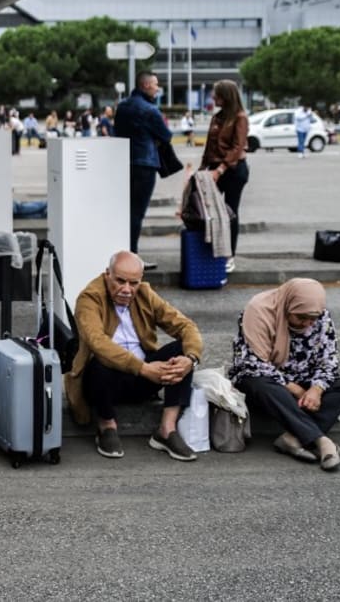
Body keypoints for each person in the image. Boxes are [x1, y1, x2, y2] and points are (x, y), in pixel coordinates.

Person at [67, 251, 203, 462]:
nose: (126, 289)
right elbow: (97, 342)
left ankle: (167, 429)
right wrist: (145, 368)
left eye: (133, 283)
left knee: (181, 352)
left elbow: (185, 325)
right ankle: (106, 425)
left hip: (143, 379)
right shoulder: (89, 298)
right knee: (100, 362)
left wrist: (191, 358)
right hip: (104, 384)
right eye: (120, 281)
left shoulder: (144, 293)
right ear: (107, 275)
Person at [228, 279, 340, 472]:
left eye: (312, 318)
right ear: (288, 307)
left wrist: (316, 390)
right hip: (265, 378)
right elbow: (252, 363)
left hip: (304, 379)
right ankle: (321, 441)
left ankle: (292, 438)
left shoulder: (321, 317)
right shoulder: (258, 311)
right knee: (261, 385)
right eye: (301, 317)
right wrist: (294, 389)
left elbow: (329, 361)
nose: (307, 323)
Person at [114, 71, 174, 257]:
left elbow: (117, 131)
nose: (157, 88)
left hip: (123, 162)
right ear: (146, 85)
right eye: (155, 84)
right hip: (145, 164)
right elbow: (166, 135)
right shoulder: (150, 110)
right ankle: (132, 255)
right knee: (137, 212)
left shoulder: (122, 107)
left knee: (124, 210)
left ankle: (121, 253)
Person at [200, 80, 249, 274]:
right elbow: (209, 146)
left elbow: (237, 148)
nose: (213, 97)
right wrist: (202, 168)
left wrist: (220, 169)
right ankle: (212, 250)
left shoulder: (240, 117)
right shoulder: (217, 117)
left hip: (233, 170)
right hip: (212, 169)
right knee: (207, 211)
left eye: (217, 95)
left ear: (226, 97)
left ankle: (229, 255)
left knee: (230, 212)